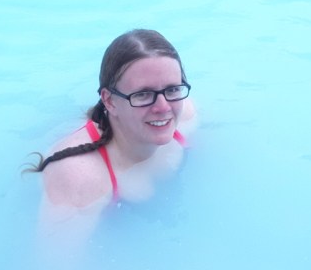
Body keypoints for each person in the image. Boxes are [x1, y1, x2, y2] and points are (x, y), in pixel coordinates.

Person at [28, 29, 196, 240]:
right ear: (109, 101)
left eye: (172, 90)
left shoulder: (184, 116)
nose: (163, 108)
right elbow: (54, 269)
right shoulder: (79, 177)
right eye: (143, 94)